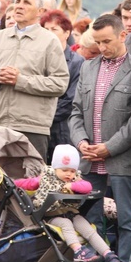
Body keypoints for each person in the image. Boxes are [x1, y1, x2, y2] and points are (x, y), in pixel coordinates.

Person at [70, 13, 131, 262]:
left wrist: (109, 147)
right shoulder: (88, 67)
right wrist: (81, 141)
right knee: (90, 218)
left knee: (127, 218)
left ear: (123, 35)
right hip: (90, 158)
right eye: (98, 42)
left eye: (107, 41)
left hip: (122, 158)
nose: (102, 48)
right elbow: (76, 111)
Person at [0, 0, 69, 159]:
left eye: (26, 3)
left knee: (29, 183)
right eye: (17, 2)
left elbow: (59, 84)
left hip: (32, 127)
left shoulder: (50, 41)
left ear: (40, 12)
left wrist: (21, 81)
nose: (19, 6)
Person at [14, 144, 121, 262]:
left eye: (72, 171)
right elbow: (29, 184)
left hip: (71, 213)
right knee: (66, 224)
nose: (68, 174)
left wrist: (72, 186)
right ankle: (78, 251)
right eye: (64, 170)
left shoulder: (75, 180)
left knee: (88, 229)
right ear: (55, 169)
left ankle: (107, 253)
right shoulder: (46, 178)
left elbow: (88, 187)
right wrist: (13, 183)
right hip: (51, 216)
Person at [41, 10, 84, 160]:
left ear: (67, 33)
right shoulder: (38, 59)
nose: (49, 33)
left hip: (62, 130)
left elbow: (71, 100)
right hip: (39, 127)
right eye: (46, 29)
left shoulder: (77, 62)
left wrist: (42, 115)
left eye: (54, 29)